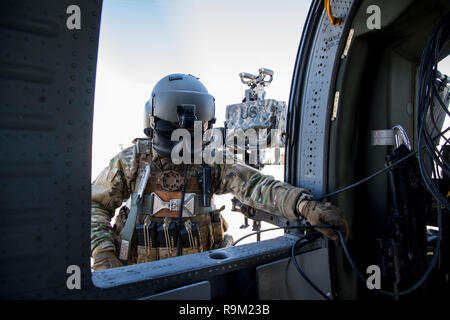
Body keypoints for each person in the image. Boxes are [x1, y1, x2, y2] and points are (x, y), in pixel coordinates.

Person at [91, 74, 348, 271]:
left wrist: (304, 206)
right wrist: (103, 252)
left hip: (199, 273)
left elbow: (255, 185)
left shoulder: (210, 159)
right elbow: (94, 206)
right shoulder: (132, 161)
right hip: (136, 274)